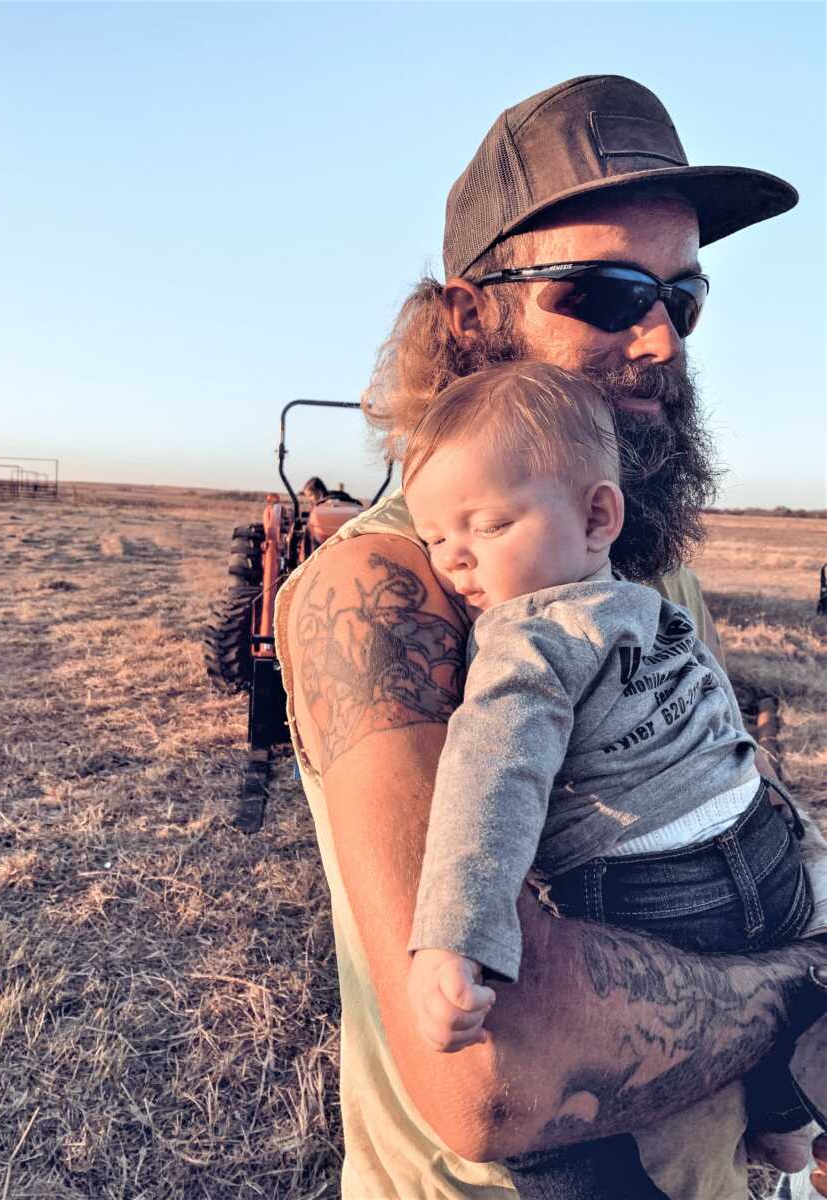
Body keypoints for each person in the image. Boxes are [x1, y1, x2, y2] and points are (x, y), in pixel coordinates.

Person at [274, 75, 827, 1199]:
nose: (663, 340)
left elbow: (712, 792)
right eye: (607, 293)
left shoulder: (630, 554)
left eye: (685, 296)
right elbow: (495, 1073)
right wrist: (804, 987)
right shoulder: (381, 588)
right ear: (470, 316)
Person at [402, 361, 826, 1182]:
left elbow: (490, 782)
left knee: (550, 1102)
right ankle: (781, 1120)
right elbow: (721, 723)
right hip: (766, 858)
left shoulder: (525, 640)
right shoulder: (651, 609)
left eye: (485, 526)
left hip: (656, 893)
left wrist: (454, 936)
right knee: (783, 984)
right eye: (434, 540)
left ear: (598, 514)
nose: (454, 562)